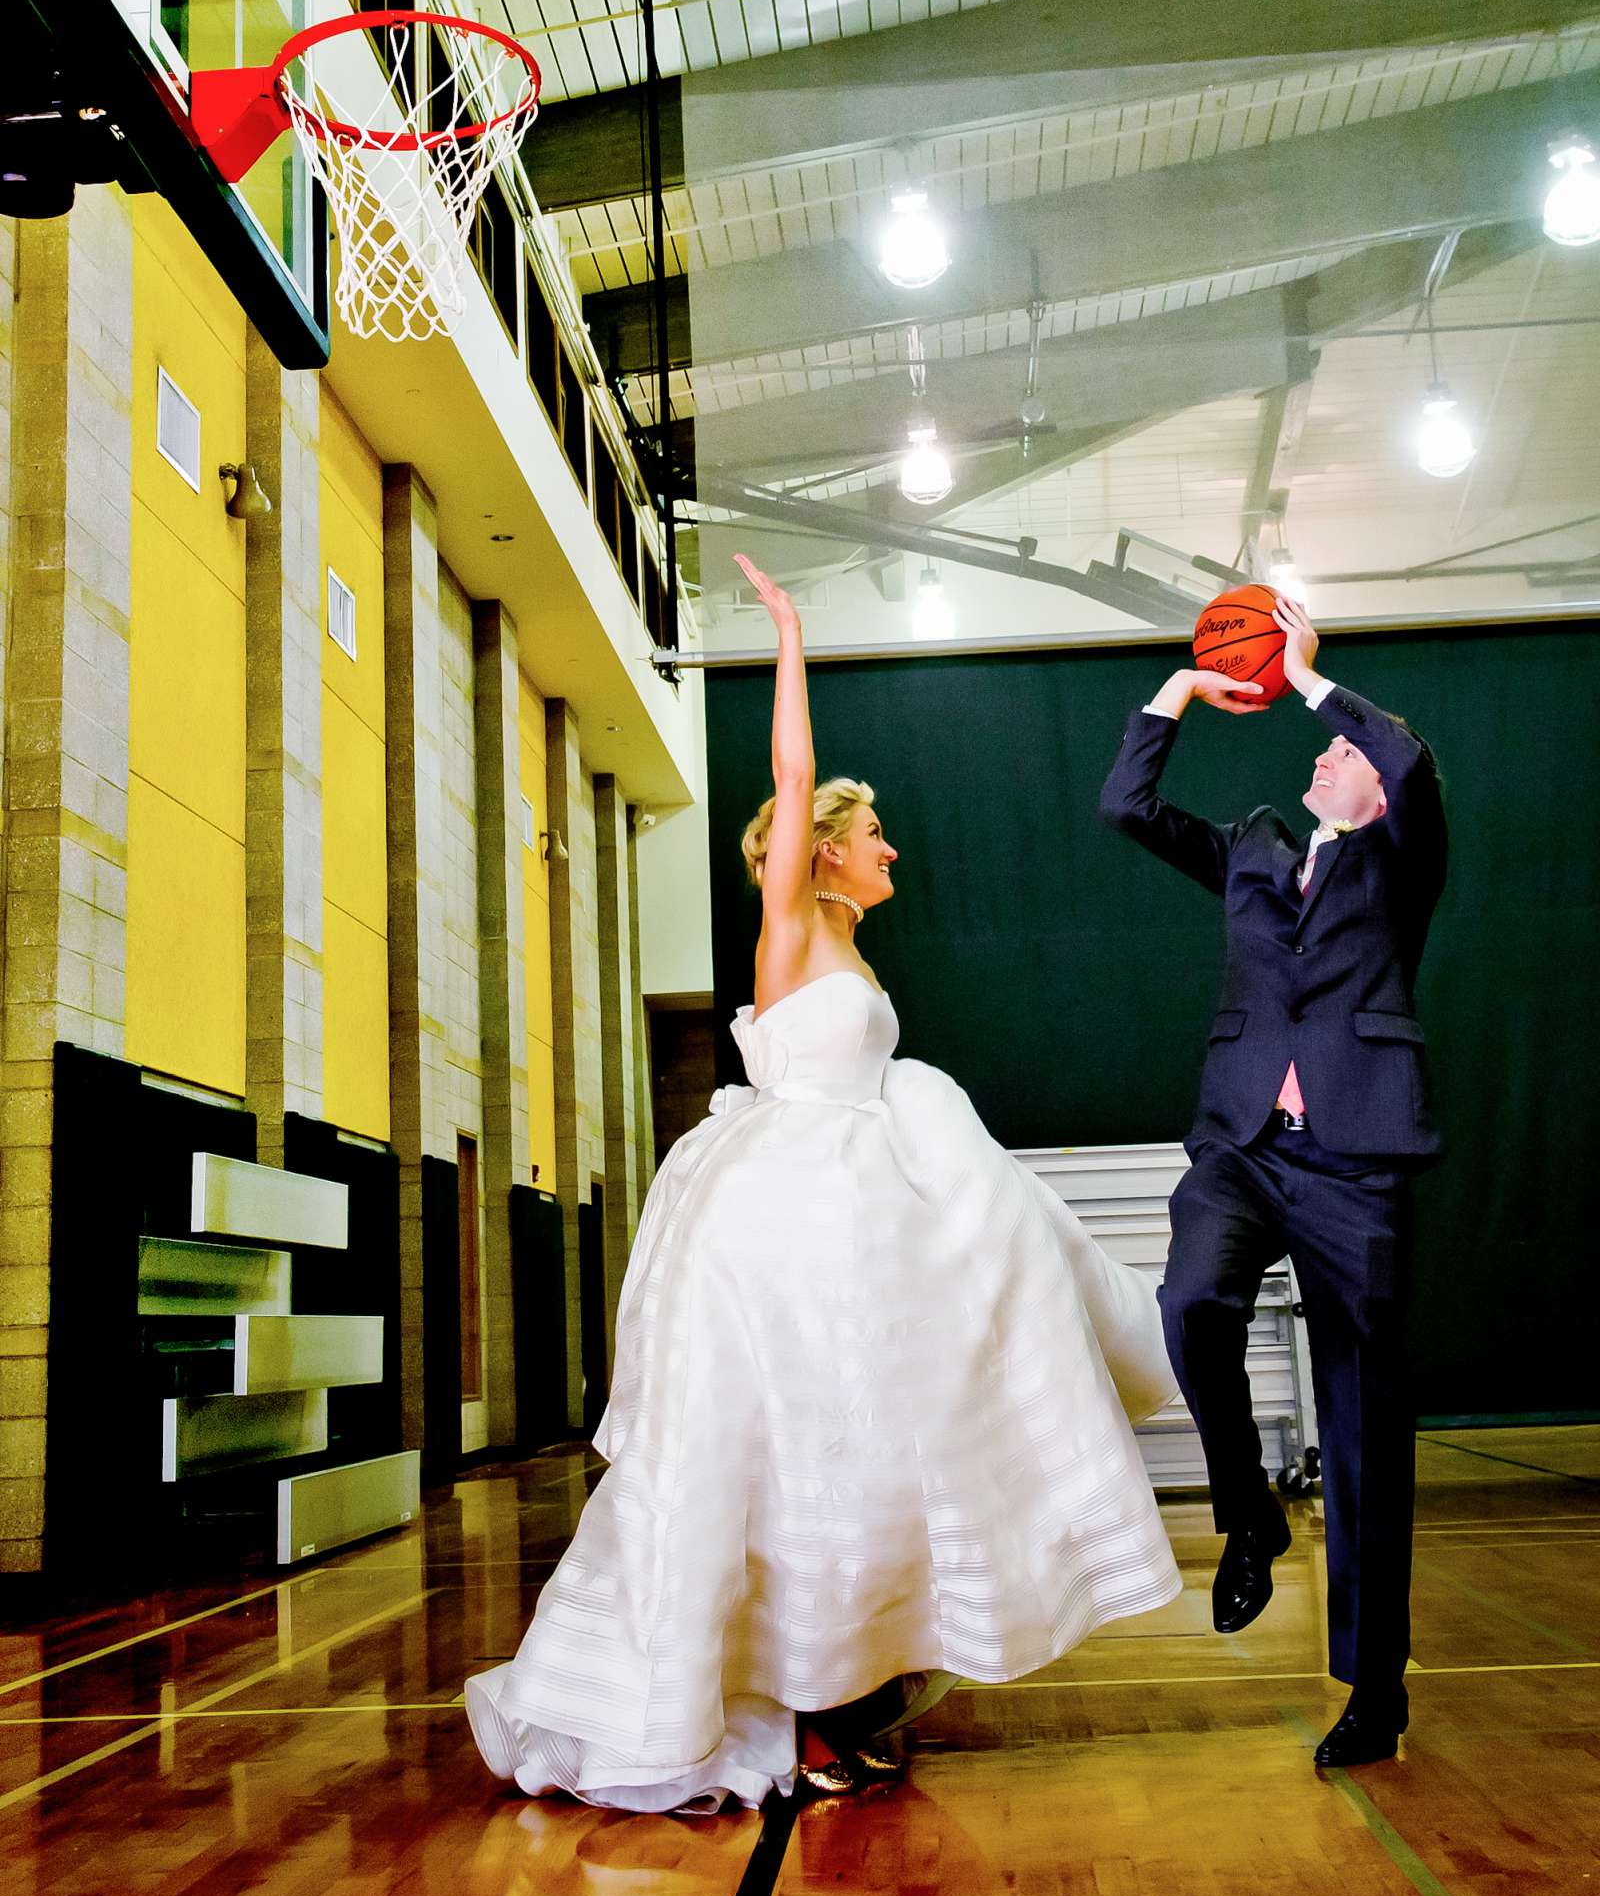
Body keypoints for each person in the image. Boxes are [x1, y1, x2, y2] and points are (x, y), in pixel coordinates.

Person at [464, 555, 1181, 1814]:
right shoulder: (789, 925)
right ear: (823, 856)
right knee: (789, 1451)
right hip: (781, 1225)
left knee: (860, 1454)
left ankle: (844, 1690)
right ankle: (783, 1712)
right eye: (873, 835)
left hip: (859, 1226)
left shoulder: (850, 946)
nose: (891, 847)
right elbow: (792, 776)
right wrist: (788, 636)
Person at [1100, 596, 1447, 1768]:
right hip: (1242, 1142)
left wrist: (1305, 677)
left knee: (1361, 1432)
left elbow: (1397, 748)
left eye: (1338, 752)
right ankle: (1245, 1508)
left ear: (1379, 788)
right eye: (1322, 740)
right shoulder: (1252, 841)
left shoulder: (1404, 858)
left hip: (1359, 1161)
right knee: (1190, 1303)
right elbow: (1125, 806)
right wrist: (1184, 691)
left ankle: (1374, 1690)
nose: (1322, 750)